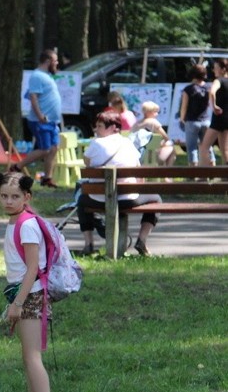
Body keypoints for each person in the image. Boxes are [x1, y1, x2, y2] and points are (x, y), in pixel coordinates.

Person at [0, 171, 62, 392]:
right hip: (24, 294)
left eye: (15, 196)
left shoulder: (27, 225)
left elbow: (33, 269)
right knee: (27, 356)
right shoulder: (14, 222)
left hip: (30, 295)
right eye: (4, 196)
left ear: (27, 197)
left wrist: (17, 303)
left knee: (32, 357)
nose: (9, 201)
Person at [77, 111, 162, 256]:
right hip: (127, 199)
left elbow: (87, 162)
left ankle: (88, 244)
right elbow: (138, 173)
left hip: (99, 199)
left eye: (100, 126)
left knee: (81, 198)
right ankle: (142, 239)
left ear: (114, 128)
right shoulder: (128, 144)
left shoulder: (96, 143)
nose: (96, 129)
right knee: (157, 199)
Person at [12, 49, 63, 188]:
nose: (57, 63)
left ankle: (47, 178)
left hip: (51, 121)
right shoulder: (37, 76)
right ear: (47, 61)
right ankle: (17, 167)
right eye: (55, 60)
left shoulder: (46, 76)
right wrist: (40, 115)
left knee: (53, 148)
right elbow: (33, 97)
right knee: (45, 149)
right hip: (40, 120)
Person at [178, 63, 213, 165]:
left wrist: (182, 118)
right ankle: (213, 170)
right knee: (208, 147)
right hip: (206, 120)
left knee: (192, 148)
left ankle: (193, 173)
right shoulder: (209, 88)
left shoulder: (188, 89)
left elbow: (184, 106)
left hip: (192, 121)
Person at [199, 57, 228, 166]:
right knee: (225, 150)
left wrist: (214, 105)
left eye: (215, 68)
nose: (213, 70)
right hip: (227, 118)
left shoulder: (218, 80)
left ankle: (204, 174)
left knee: (204, 147)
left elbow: (212, 92)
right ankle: (225, 177)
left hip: (219, 117)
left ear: (223, 69)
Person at [129, 101, 175, 165]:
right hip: (150, 157)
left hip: (134, 155)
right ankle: (167, 172)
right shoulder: (153, 122)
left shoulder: (136, 124)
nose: (157, 114)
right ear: (149, 112)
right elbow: (166, 138)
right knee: (171, 148)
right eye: (155, 112)